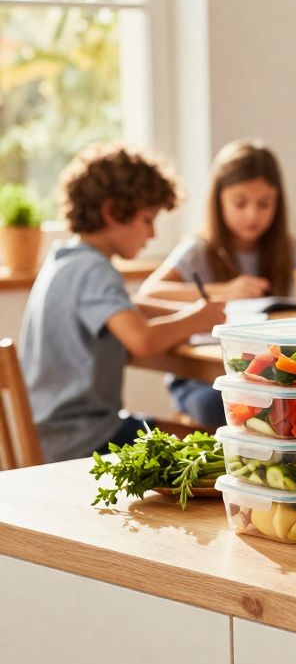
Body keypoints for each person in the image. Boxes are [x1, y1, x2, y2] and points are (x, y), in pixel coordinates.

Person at [19, 143, 226, 463]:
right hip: (84, 439)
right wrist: (196, 318)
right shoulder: (94, 269)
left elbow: (127, 309)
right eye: (147, 219)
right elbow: (142, 339)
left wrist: (196, 314)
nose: (152, 234)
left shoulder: (65, 260)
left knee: (195, 437)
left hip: (52, 435)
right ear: (113, 211)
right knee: (212, 443)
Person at [139, 139, 296, 427]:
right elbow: (148, 293)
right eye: (240, 203)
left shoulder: (286, 248)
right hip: (199, 377)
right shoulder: (198, 249)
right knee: (228, 406)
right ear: (219, 200)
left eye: (265, 204)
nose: (252, 214)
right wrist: (225, 291)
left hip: (263, 374)